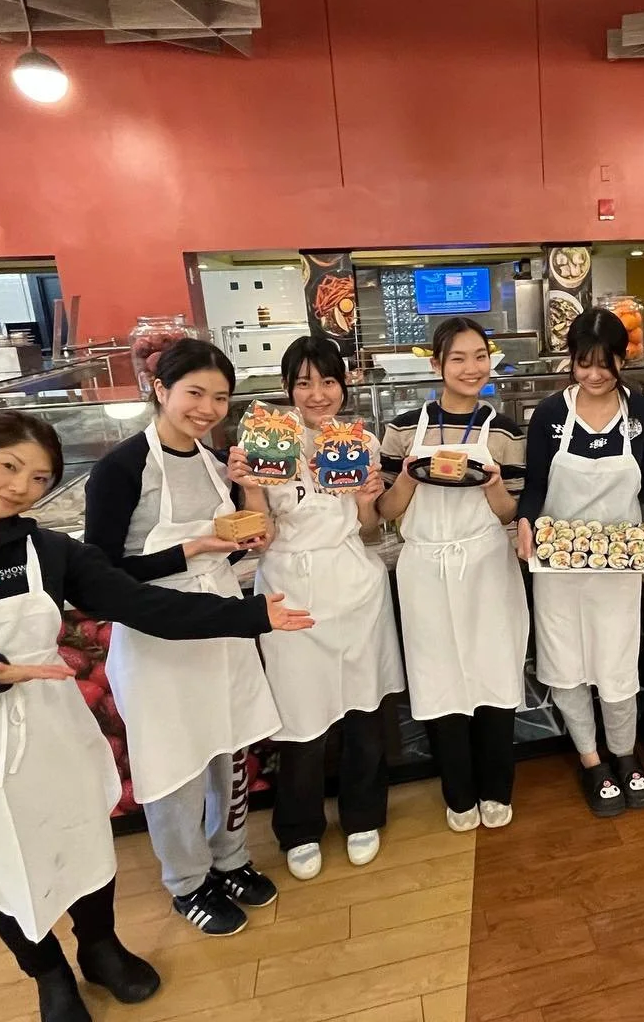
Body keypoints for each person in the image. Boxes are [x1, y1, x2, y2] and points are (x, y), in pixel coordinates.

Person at [0, 412, 311, 1022]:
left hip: (51, 726)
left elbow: (141, 605)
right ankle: (48, 972)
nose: (20, 487)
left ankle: (101, 948)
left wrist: (252, 618)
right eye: (8, 466)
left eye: (38, 479)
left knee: (82, 844)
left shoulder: (45, 550)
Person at [84, 340, 285, 937]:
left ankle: (231, 858)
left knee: (227, 747)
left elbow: (248, 536)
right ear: (160, 389)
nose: (207, 407)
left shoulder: (217, 460)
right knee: (175, 763)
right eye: (194, 392)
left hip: (220, 617)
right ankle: (187, 881)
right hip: (155, 633)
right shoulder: (121, 468)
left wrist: (244, 528)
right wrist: (191, 548)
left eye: (220, 397)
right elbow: (100, 573)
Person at [230, 335, 404, 881]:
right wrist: (250, 488)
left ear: (343, 385)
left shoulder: (359, 441)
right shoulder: (266, 442)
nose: (317, 393)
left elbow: (370, 529)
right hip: (289, 589)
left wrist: (364, 498)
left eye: (327, 381)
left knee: (364, 713)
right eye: (303, 382)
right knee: (300, 718)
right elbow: (258, 534)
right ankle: (299, 828)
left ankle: (362, 816)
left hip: (354, 584)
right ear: (287, 390)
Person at [515, 309, 644, 817]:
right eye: (582, 364)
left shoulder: (643, 414)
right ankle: (591, 760)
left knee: (617, 662)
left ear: (622, 358)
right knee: (564, 662)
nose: (593, 375)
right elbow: (538, 485)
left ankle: (625, 754)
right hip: (558, 563)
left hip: (622, 558)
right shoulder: (550, 413)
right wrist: (526, 522)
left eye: (605, 363)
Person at [377, 317, 529, 832]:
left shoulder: (506, 429)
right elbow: (383, 509)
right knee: (438, 676)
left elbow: (511, 512)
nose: (471, 368)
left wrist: (490, 484)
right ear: (436, 364)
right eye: (458, 358)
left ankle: (496, 789)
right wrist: (405, 478)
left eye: (480, 356)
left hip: (487, 563)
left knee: (494, 672)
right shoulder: (402, 428)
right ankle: (458, 794)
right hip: (424, 564)